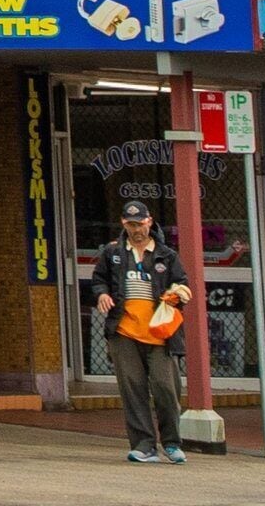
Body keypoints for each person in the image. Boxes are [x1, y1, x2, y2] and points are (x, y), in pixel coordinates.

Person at [85, 197, 193, 464]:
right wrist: (101, 295)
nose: (137, 229)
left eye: (141, 223)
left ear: (149, 221)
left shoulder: (167, 255)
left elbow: (182, 284)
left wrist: (176, 294)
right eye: (131, 224)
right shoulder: (113, 254)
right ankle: (144, 445)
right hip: (124, 333)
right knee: (133, 389)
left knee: (165, 387)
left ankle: (171, 442)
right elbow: (98, 280)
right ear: (124, 223)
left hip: (159, 333)